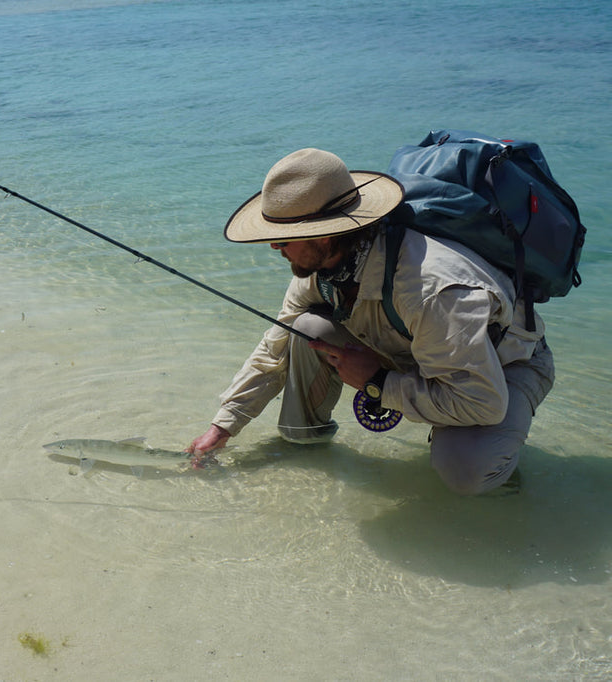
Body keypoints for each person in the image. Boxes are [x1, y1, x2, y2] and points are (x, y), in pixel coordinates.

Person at [186, 148, 555, 495]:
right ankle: (304, 443)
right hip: (416, 349)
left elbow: (481, 403)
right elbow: (275, 347)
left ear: (325, 233)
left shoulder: (431, 290)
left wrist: (377, 381)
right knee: (302, 329)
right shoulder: (321, 268)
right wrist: (224, 426)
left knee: (467, 469)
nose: (274, 247)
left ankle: (503, 476)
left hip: (502, 369)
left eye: (284, 240)